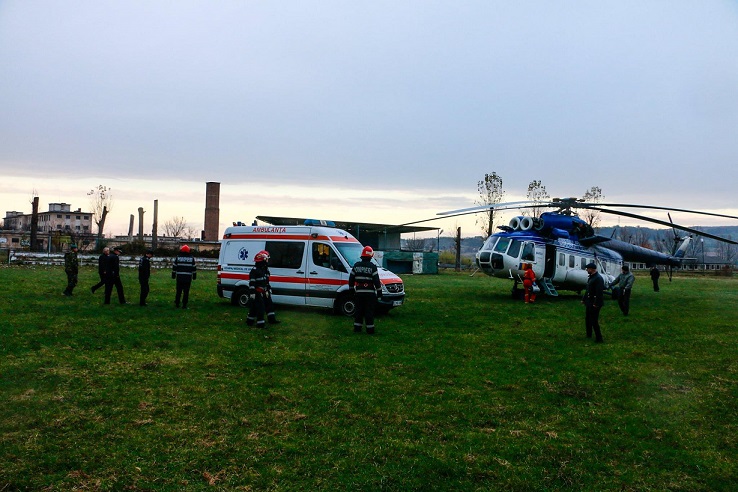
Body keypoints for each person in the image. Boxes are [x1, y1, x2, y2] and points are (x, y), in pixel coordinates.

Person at [349, 246, 382, 334]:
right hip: (370, 294)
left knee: (358, 311)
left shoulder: (356, 266)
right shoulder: (372, 267)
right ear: (371, 256)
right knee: (369, 312)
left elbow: (351, 278)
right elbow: (376, 281)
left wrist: (351, 289)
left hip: (359, 293)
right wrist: (379, 292)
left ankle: (357, 329)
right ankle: (370, 330)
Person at [246, 250, 278, 327]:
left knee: (269, 305)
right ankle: (260, 323)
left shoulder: (265, 269)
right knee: (260, 307)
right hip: (257, 292)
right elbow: (252, 283)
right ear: (262, 260)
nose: (267, 261)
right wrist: (252, 293)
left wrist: (268, 289)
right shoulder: (254, 270)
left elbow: (266, 281)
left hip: (264, 291)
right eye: (266, 259)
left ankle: (271, 319)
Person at [582, 262, 605, 343]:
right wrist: (584, 299)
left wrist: (596, 303)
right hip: (589, 301)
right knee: (588, 318)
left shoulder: (598, 278)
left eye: (588, 269)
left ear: (592, 269)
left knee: (594, 320)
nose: (587, 270)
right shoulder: (591, 277)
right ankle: (589, 334)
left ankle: (599, 338)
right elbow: (588, 289)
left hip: (594, 302)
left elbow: (599, 292)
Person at [172, 244, 196, 309]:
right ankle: (184, 305)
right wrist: (194, 276)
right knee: (186, 292)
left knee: (178, 291)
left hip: (179, 277)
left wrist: (173, 275)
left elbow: (174, 266)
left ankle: (177, 304)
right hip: (188, 278)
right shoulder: (191, 258)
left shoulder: (178, 257)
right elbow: (194, 268)